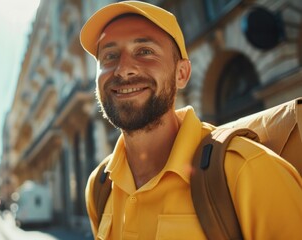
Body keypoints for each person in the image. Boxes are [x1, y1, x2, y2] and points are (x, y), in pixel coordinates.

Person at [79, 1, 302, 239]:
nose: (123, 70)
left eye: (145, 51)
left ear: (182, 74)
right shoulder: (99, 185)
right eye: (110, 56)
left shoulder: (249, 171)